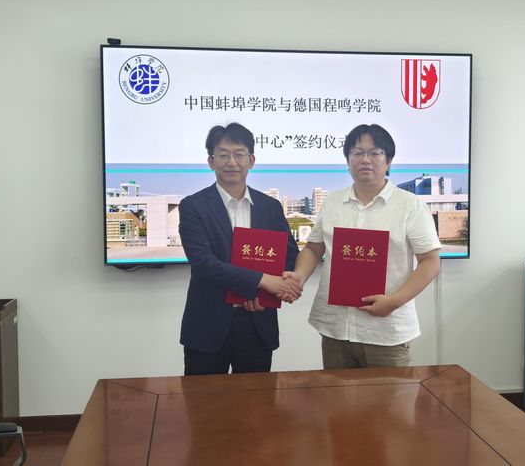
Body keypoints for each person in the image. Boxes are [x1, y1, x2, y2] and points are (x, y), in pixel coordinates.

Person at [283, 124, 441, 369]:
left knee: (390, 395)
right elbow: (314, 248)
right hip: (336, 327)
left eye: (374, 153)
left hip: (386, 330)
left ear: (388, 160)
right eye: (357, 153)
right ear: (348, 160)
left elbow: (430, 262)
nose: (365, 159)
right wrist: (299, 277)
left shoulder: (410, 205)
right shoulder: (333, 201)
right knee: (337, 394)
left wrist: (394, 302)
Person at [179, 122, 300, 375]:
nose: (231, 162)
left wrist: (269, 294)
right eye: (223, 155)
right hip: (208, 324)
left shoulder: (270, 207)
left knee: (256, 398)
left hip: (258, 321)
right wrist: (263, 281)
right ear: (211, 161)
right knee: (202, 398)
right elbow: (203, 263)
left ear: (251, 160)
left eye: (239, 154)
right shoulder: (193, 206)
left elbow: (289, 256)